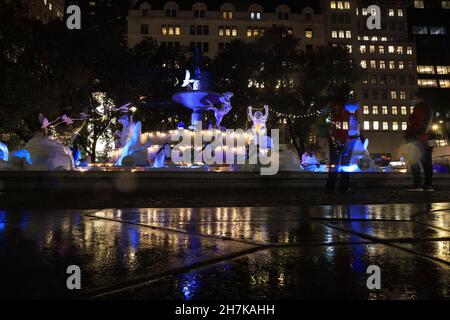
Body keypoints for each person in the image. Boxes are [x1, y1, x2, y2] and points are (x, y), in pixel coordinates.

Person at [405, 92, 435, 191]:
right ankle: (428, 185)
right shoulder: (428, 108)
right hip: (426, 138)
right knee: (426, 162)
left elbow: (416, 122)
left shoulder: (420, 108)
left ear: (419, 98)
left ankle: (417, 185)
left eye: (413, 98)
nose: (412, 100)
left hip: (419, 138)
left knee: (414, 160)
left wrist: (416, 135)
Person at [326, 101, 350, 191]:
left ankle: (337, 185)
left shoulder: (339, 116)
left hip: (340, 142)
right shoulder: (343, 116)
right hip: (338, 142)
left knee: (339, 164)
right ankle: (341, 185)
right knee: (340, 164)